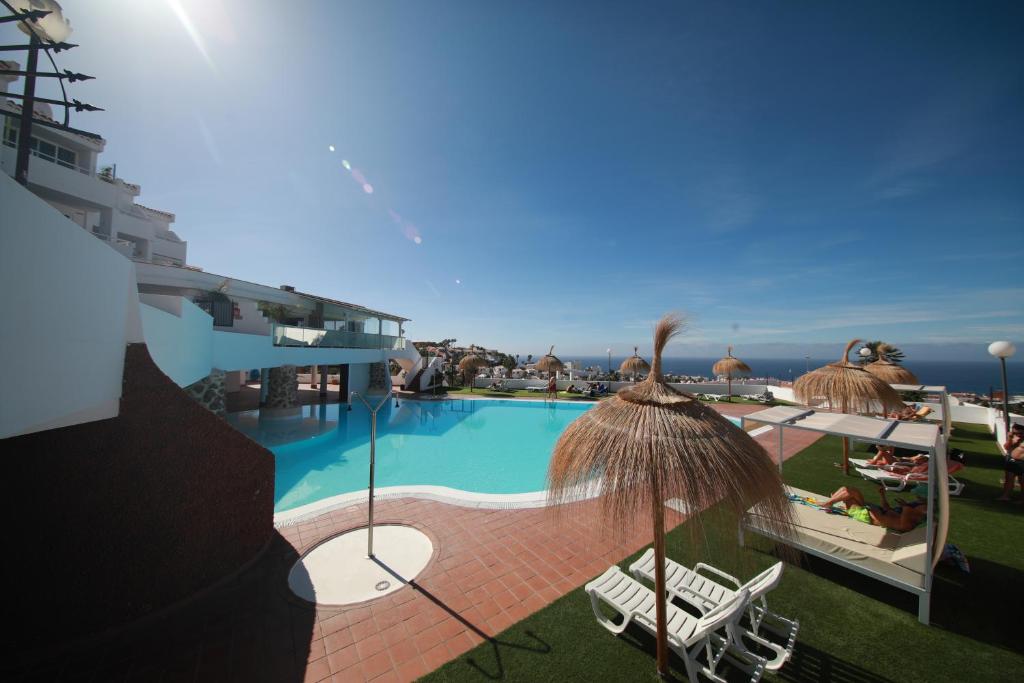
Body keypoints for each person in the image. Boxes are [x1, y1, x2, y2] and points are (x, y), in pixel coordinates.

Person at [818, 484, 926, 532]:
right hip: (868, 510)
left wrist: (906, 508)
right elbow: (888, 509)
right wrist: (882, 495)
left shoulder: (907, 523)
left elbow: (903, 526)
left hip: (864, 514)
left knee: (848, 492)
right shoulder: (904, 515)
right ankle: (832, 500)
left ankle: (829, 502)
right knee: (845, 489)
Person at [996, 422, 1024, 502]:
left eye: (1020, 433)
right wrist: (1010, 439)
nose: (1018, 434)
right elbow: (1006, 447)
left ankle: (1022, 499)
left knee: (1022, 481)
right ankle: (1005, 496)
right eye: (1015, 432)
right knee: (1009, 480)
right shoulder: (1013, 437)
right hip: (1012, 461)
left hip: (1022, 463)